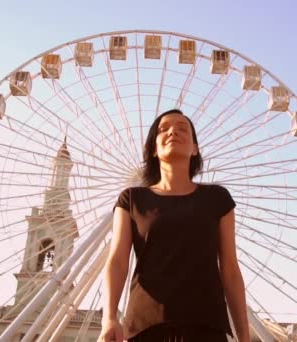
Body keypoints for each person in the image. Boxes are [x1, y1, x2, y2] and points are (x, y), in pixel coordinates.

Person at [99, 109, 250, 342]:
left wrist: (244, 336)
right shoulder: (131, 199)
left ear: (195, 148)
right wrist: (109, 317)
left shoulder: (217, 198)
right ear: (153, 149)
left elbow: (230, 269)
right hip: (145, 327)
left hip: (206, 327)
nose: (173, 132)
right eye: (163, 129)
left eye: (182, 128)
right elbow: (118, 261)